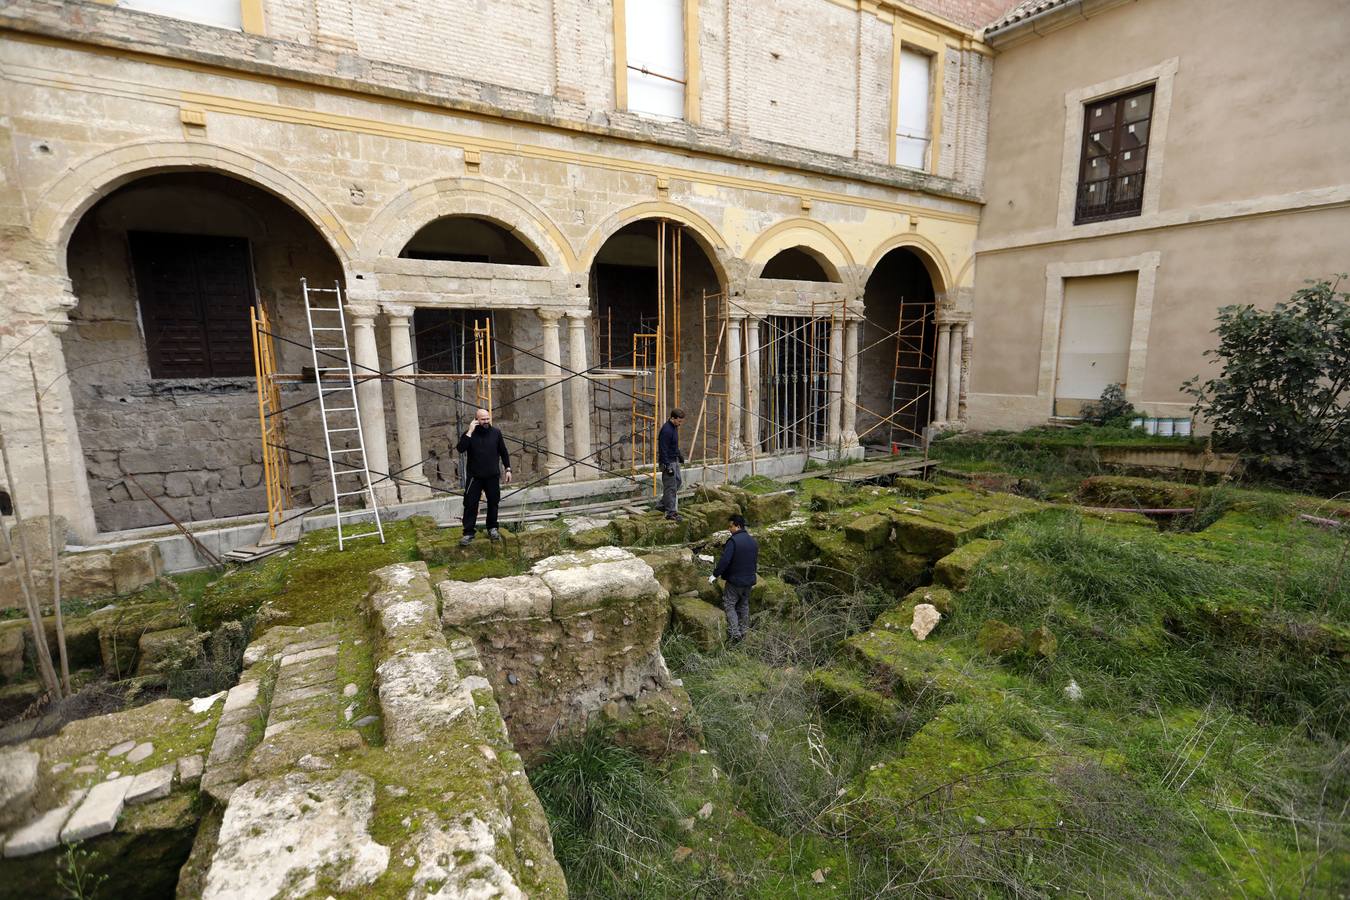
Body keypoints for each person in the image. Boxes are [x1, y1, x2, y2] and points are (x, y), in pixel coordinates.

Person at [456, 407, 512, 545]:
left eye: (487, 418)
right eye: (483, 419)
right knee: (470, 504)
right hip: (475, 477)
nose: (486, 421)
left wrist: (508, 469)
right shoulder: (469, 434)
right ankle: (468, 533)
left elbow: (504, 452)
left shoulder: (496, 433)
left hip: (492, 475)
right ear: (476, 420)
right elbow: (460, 448)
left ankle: (492, 528)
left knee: (493, 503)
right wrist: (469, 431)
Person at [711, 513, 759, 643]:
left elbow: (725, 561)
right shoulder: (752, 541)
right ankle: (744, 631)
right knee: (743, 605)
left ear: (738, 526)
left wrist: (715, 574)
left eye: (730, 526)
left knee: (729, 604)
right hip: (749, 580)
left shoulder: (733, 541)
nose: (729, 529)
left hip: (735, 581)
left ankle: (735, 633)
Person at [657, 409, 686, 521]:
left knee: (678, 482)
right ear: (672, 418)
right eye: (679, 421)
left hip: (674, 460)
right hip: (667, 462)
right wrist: (667, 465)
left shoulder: (674, 428)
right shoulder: (666, 430)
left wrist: (679, 455)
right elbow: (663, 449)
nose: (680, 423)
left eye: (681, 421)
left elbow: (674, 445)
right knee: (670, 487)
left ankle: (662, 505)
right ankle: (671, 513)